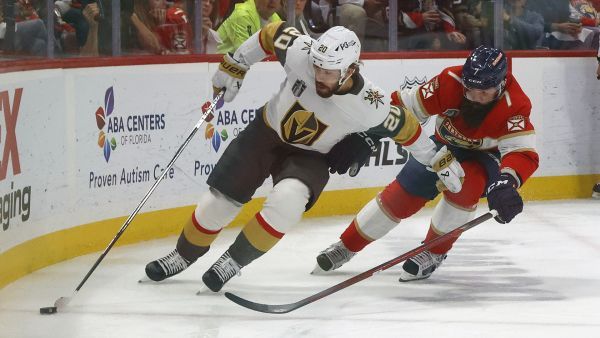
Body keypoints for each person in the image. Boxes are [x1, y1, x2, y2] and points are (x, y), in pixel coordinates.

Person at [143, 21, 464, 292]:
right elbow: (270, 33)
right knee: (220, 202)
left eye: (329, 71)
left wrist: (438, 159)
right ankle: (183, 255)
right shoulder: (301, 52)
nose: (319, 75)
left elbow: (407, 128)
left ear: (351, 69)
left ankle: (233, 261)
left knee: (287, 201)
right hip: (265, 134)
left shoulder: (371, 102)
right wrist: (236, 63)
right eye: (317, 67)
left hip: (312, 157)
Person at [315, 46, 539, 282]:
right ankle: (347, 245)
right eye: (470, 89)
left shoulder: (516, 104)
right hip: (445, 146)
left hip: (487, 157)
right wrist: (371, 134)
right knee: (405, 190)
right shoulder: (449, 81)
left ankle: (434, 251)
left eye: (484, 92)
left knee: (466, 186)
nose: (475, 97)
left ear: (501, 84)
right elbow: (404, 106)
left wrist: (506, 182)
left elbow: (520, 151)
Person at [216, 0, 281, 54]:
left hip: (242, 66)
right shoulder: (242, 15)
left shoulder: (276, 19)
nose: (273, 1)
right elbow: (246, 53)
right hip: (216, 65)